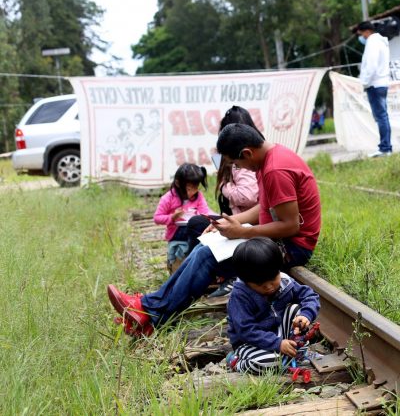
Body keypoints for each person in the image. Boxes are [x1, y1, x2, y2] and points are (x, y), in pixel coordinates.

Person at [107, 124, 321, 337]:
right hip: (276, 239)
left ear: (247, 153)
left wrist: (242, 232)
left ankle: (149, 314)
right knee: (206, 244)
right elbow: (263, 207)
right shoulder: (268, 159)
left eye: (237, 163)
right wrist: (227, 221)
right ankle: (148, 309)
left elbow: (291, 225)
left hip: (291, 247)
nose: (240, 167)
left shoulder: (274, 170)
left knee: (207, 256)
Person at [187, 106, 259, 297]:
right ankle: (209, 274)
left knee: (198, 229)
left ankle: (230, 275)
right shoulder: (228, 157)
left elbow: (249, 195)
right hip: (238, 216)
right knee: (197, 225)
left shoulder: (245, 157)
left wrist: (224, 187)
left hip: (247, 221)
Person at [224, 237, 320, 374]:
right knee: (271, 362)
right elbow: (246, 330)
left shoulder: (285, 282)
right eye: (260, 285)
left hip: (279, 336)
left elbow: (310, 296)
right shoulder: (240, 296)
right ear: (246, 281)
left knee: (295, 310)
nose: (269, 287)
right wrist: (277, 344)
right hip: (250, 343)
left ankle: (298, 353)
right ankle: (236, 361)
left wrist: (305, 315)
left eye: (273, 279)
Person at [153, 163, 213, 274]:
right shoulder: (168, 198)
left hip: (194, 232)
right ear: (178, 183)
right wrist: (172, 217)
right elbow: (157, 218)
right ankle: (178, 266)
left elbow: (205, 211)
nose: (193, 192)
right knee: (181, 257)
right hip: (177, 233)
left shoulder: (198, 196)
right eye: (189, 189)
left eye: (196, 188)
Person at [355, 20, 392, 158]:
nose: (362, 38)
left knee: (381, 117)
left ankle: (385, 148)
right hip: (381, 83)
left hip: (374, 84)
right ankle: (385, 146)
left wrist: (364, 82)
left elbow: (371, 65)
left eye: (361, 34)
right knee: (383, 116)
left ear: (367, 31)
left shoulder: (372, 42)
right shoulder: (381, 42)